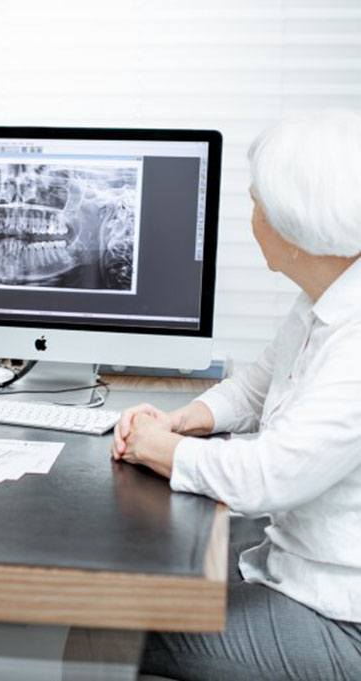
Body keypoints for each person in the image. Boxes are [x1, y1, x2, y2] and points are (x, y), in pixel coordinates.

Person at [111, 110, 361, 680]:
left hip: (342, 620)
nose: (250, 217)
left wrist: (158, 449)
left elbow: (268, 477)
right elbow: (254, 386)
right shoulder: (326, 299)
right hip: (295, 569)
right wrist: (181, 421)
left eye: (256, 204)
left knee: (107, 626)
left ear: (297, 225)